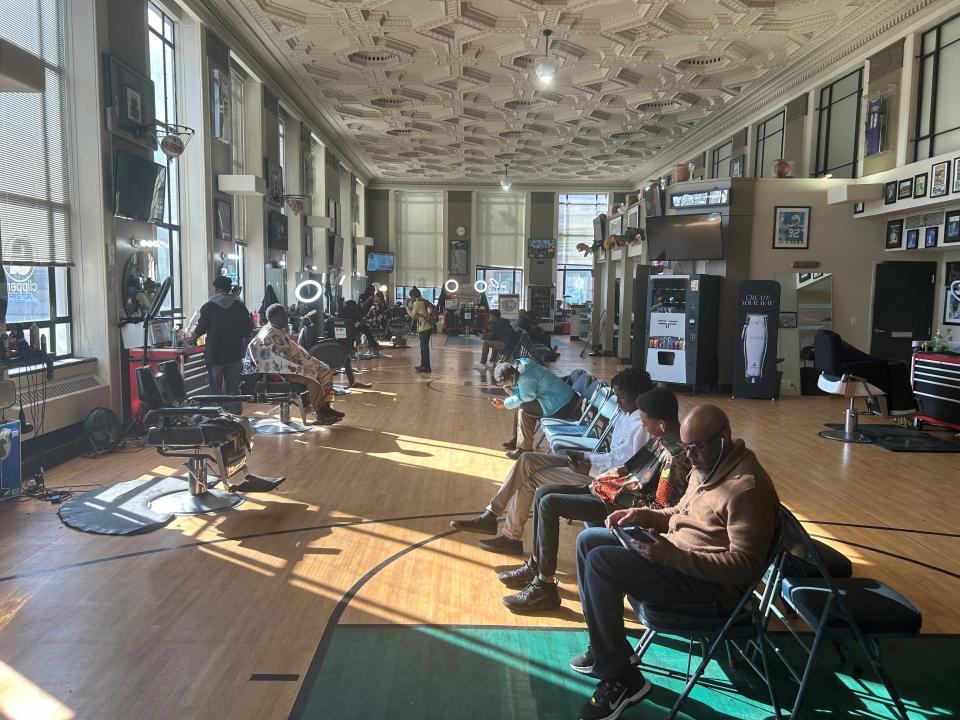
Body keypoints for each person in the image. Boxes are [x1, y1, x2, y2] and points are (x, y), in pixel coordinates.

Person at [570, 405, 780, 720]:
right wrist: (642, 515)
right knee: (589, 541)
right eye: (685, 447)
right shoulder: (706, 466)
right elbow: (679, 513)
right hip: (677, 562)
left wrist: (673, 556)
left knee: (603, 561)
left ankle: (621, 679)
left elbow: (745, 566)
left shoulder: (746, 489)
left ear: (724, 437)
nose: (690, 455)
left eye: (696, 447)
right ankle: (605, 651)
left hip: (712, 591)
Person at [498, 387, 690, 613]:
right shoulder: (660, 440)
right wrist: (599, 474)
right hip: (617, 493)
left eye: (646, 423)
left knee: (550, 503)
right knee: (543, 493)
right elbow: (629, 468)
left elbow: (659, 507)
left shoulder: (674, 457)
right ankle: (536, 566)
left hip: (624, 506)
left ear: (661, 425)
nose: (644, 427)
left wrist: (612, 489)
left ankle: (544, 587)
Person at [451, 367, 654, 555]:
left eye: (621, 397)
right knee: (528, 459)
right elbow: (613, 455)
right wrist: (584, 455)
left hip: (600, 477)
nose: (617, 402)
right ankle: (491, 514)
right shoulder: (626, 415)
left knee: (531, 481)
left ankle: (509, 536)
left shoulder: (642, 426)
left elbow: (621, 468)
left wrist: (587, 466)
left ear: (638, 396)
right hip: (593, 464)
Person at [245, 304, 344, 425]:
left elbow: (293, 351)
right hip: (281, 371)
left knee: (325, 370)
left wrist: (306, 361)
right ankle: (320, 412)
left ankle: (326, 407)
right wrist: (302, 364)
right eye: (283, 315)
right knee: (312, 378)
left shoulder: (278, 330)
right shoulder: (269, 334)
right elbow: (271, 359)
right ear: (273, 317)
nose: (287, 318)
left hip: (290, 366)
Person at [188, 275, 253, 414]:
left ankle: (218, 416)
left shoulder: (209, 306)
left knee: (215, 389)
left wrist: (190, 339)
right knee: (234, 388)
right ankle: (236, 415)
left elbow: (201, 327)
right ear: (229, 289)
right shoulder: (239, 306)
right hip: (235, 354)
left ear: (216, 289)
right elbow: (248, 331)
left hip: (215, 354)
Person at [492, 359, 581, 458]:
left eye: (506, 382)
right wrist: (513, 391)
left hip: (564, 405)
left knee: (525, 409)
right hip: (561, 398)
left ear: (511, 376)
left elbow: (527, 397)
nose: (506, 385)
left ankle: (524, 449)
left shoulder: (525, 376)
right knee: (521, 406)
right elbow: (527, 390)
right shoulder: (521, 368)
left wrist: (504, 403)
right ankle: (516, 440)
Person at [404, 287, 435, 373]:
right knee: (424, 348)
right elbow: (418, 315)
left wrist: (406, 306)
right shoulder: (423, 301)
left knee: (424, 348)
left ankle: (426, 367)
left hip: (424, 328)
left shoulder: (418, 303)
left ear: (414, 296)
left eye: (411, 296)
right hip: (427, 327)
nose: (411, 298)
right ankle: (423, 365)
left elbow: (413, 316)